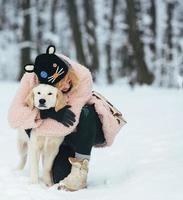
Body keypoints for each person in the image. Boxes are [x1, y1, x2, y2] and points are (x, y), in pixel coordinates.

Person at [8, 45, 124, 191]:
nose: (64, 87)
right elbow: (13, 117)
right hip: (57, 137)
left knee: (85, 112)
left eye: (65, 79)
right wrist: (44, 114)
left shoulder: (83, 76)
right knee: (60, 177)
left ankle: (80, 170)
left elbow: (68, 124)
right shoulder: (31, 77)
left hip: (83, 130)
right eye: (57, 85)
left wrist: (33, 123)